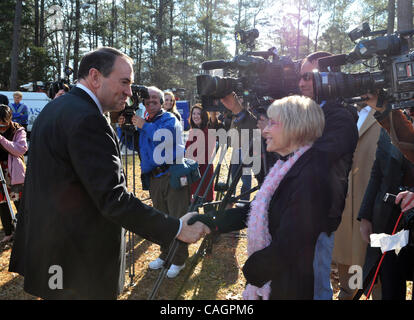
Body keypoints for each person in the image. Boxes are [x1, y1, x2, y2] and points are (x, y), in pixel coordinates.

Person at [8, 47, 209, 300]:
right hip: (78, 261)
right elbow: (113, 199)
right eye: (124, 82)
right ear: (95, 76)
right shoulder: (89, 120)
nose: (129, 92)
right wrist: (176, 227)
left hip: (51, 251)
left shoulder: (56, 108)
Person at [190, 95, 330, 299]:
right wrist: (210, 222)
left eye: (272, 124)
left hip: (288, 288)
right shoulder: (285, 167)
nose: (264, 130)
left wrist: (251, 271)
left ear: (295, 129)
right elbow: (256, 208)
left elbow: (289, 246)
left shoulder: (309, 177)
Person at [298, 51, 359, 299]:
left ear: (328, 78)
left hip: (321, 215)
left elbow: (315, 159)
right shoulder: (305, 111)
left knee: (317, 283)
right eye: (299, 77)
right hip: (297, 211)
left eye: (307, 76)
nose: (301, 83)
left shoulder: (341, 118)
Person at [120, 86, 192, 279]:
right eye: (147, 101)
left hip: (171, 174)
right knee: (162, 219)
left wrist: (143, 125)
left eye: (154, 100)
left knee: (177, 218)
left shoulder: (169, 119)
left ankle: (179, 260)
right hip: (154, 178)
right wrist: (124, 129)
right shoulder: (148, 122)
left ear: (161, 103)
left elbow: (165, 138)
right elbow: (135, 145)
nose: (150, 103)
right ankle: (165, 255)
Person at [331, 103, 381, 299]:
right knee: (350, 269)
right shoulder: (347, 114)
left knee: (376, 275)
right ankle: (348, 292)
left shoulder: (389, 116)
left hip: (373, 211)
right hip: (345, 209)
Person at [358, 128, 414, 299]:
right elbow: (377, 174)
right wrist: (366, 216)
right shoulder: (392, 121)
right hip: (388, 221)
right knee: (389, 284)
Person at [0, 105, 27, 244]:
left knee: (19, 202)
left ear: (9, 119)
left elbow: (20, 149)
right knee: (2, 203)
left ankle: (24, 229)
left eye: (4, 123)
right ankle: (8, 232)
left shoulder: (18, 130)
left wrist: (2, 140)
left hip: (14, 171)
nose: (2, 127)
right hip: (0, 171)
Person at [185, 104, 215, 202]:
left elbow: (203, 156)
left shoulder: (208, 132)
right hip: (192, 172)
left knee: (206, 203)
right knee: (192, 206)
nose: (196, 116)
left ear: (204, 116)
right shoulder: (192, 131)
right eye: (193, 113)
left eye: (198, 113)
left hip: (203, 172)